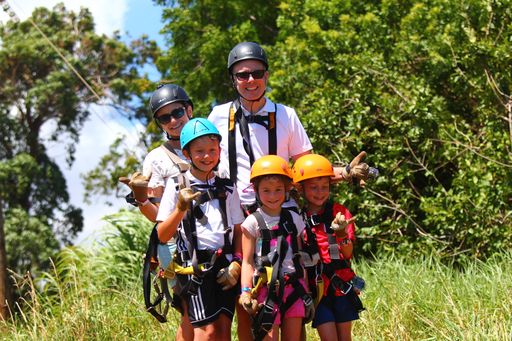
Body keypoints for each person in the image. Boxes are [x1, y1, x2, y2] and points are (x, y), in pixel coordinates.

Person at [208, 41, 371, 340]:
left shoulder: (286, 115)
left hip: (283, 215)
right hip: (239, 217)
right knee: (250, 299)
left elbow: (308, 170)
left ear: (267, 76)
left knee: (295, 293)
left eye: (257, 73)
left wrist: (345, 172)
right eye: (242, 75)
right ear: (233, 79)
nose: (250, 80)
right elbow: (202, 159)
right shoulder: (217, 116)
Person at [156, 118, 245, 340]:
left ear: (220, 150)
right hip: (195, 267)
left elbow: (238, 229)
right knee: (206, 332)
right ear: (187, 153)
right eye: (199, 151)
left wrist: (238, 261)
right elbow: (161, 234)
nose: (207, 156)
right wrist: (179, 208)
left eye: (212, 150)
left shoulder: (227, 187)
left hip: (225, 266)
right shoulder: (177, 185)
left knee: (223, 330)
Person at [119, 84, 193, 340]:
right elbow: (156, 216)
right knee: (190, 312)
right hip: (176, 242)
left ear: (189, 110)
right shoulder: (156, 159)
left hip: (212, 237)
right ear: (159, 123)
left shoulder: (210, 144)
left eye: (178, 112)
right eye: (165, 117)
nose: (173, 120)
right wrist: (141, 199)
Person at [239, 155, 314, 341]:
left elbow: (299, 257)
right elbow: (247, 261)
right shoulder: (251, 222)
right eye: (266, 190)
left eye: (278, 190)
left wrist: (307, 291)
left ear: (287, 189)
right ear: (256, 190)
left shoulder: (294, 219)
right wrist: (246, 292)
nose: (272, 196)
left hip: (294, 288)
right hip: (265, 289)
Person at [291, 154, 365, 341]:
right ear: (301, 189)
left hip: (341, 284)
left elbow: (347, 254)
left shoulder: (339, 212)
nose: (320, 192)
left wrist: (341, 234)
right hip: (317, 289)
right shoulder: (297, 218)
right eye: (313, 187)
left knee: (344, 337)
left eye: (325, 187)